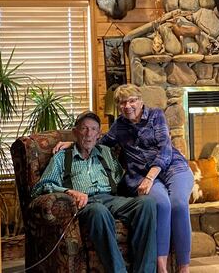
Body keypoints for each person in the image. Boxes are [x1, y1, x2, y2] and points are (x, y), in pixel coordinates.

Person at [55, 85, 194, 273]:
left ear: (141, 101)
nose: (127, 106)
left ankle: (183, 268)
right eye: (122, 102)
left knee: (178, 203)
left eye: (132, 100)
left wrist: (150, 177)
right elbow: (96, 141)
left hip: (172, 168)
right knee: (160, 204)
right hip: (141, 175)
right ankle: (161, 268)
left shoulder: (156, 116)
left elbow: (165, 149)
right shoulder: (119, 126)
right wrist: (73, 143)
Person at [34, 111, 157, 273]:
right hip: (86, 204)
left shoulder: (106, 152)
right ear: (75, 132)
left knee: (147, 203)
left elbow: (122, 179)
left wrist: (148, 180)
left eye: (93, 129)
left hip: (111, 199)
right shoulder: (62, 157)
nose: (89, 134)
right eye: (84, 128)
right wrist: (70, 192)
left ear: (99, 134)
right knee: (99, 211)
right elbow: (42, 186)